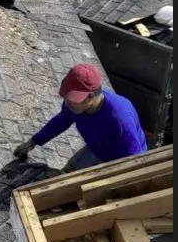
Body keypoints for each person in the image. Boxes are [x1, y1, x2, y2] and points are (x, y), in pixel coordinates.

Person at [14, 63, 147, 170]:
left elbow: (134, 159)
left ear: (90, 97)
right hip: (96, 148)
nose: (67, 104)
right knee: (65, 176)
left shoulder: (119, 118)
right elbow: (61, 121)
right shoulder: (74, 104)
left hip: (118, 160)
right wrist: (33, 142)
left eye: (72, 100)